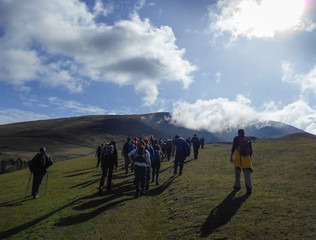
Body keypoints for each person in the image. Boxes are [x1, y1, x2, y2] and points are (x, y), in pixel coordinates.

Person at [230, 129, 253, 194]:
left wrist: (231, 157)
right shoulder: (248, 139)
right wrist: (249, 158)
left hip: (238, 158)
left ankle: (237, 186)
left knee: (237, 173)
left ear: (238, 133)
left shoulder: (236, 139)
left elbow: (233, 148)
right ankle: (249, 188)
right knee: (247, 174)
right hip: (246, 159)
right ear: (244, 133)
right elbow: (251, 150)